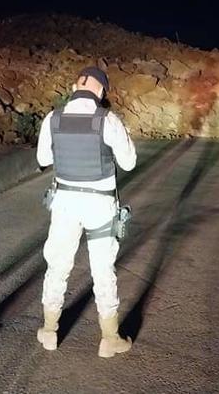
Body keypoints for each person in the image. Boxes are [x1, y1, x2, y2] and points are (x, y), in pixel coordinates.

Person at [35, 66, 137, 358]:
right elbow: (128, 163)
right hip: (100, 203)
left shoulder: (52, 119)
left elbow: (43, 158)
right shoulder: (107, 120)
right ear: (101, 90)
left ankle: (50, 331)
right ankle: (109, 338)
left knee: (58, 265)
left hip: (65, 202)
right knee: (103, 269)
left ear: (74, 85)